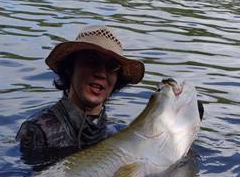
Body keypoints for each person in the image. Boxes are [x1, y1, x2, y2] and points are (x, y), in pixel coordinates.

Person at [17, 24, 145, 165]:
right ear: (70, 68)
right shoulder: (38, 131)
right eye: (92, 61)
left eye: (112, 66)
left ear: (117, 80)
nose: (101, 73)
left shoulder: (117, 133)